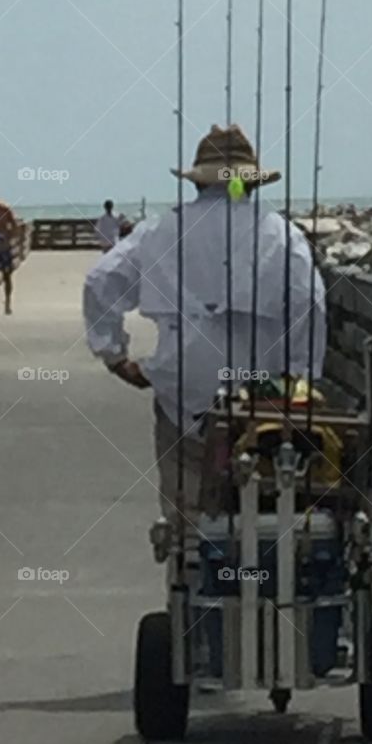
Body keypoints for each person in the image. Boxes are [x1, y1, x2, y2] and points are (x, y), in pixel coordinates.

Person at [83, 123, 326, 538]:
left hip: (182, 393)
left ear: (197, 182)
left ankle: (192, 565)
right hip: (265, 401)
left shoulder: (160, 229)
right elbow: (310, 305)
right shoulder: (282, 235)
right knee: (269, 513)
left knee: (188, 520)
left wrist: (116, 357)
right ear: (251, 182)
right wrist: (302, 378)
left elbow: (100, 280)